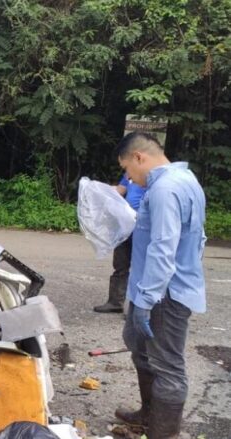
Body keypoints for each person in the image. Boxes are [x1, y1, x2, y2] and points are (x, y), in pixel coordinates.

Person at [113, 132, 206, 438]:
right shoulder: (184, 179)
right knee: (138, 345)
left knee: (168, 367)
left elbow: (163, 248)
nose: (129, 178)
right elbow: (197, 238)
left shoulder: (166, 188)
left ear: (139, 157)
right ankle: (148, 414)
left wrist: (148, 299)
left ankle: (163, 432)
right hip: (153, 289)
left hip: (163, 295)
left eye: (128, 169)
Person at [94, 172, 145, 313]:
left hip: (142, 230)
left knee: (141, 269)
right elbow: (120, 190)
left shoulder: (151, 176)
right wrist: (98, 189)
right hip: (125, 229)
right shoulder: (130, 173)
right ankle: (115, 302)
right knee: (120, 266)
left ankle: (138, 310)